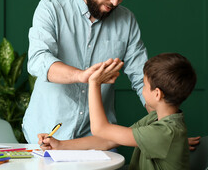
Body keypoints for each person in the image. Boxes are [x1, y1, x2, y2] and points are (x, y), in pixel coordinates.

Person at [23, 0, 148, 143]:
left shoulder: (127, 21)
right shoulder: (51, 8)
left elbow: (143, 80)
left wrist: (167, 127)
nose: (116, 2)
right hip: (47, 134)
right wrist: (82, 76)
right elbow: (38, 61)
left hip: (97, 140)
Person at [39, 53, 197, 170]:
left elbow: (100, 129)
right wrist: (59, 145)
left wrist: (94, 83)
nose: (141, 88)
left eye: (143, 84)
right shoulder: (156, 119)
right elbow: (108, 140)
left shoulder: (164, 132)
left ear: (157, 94)